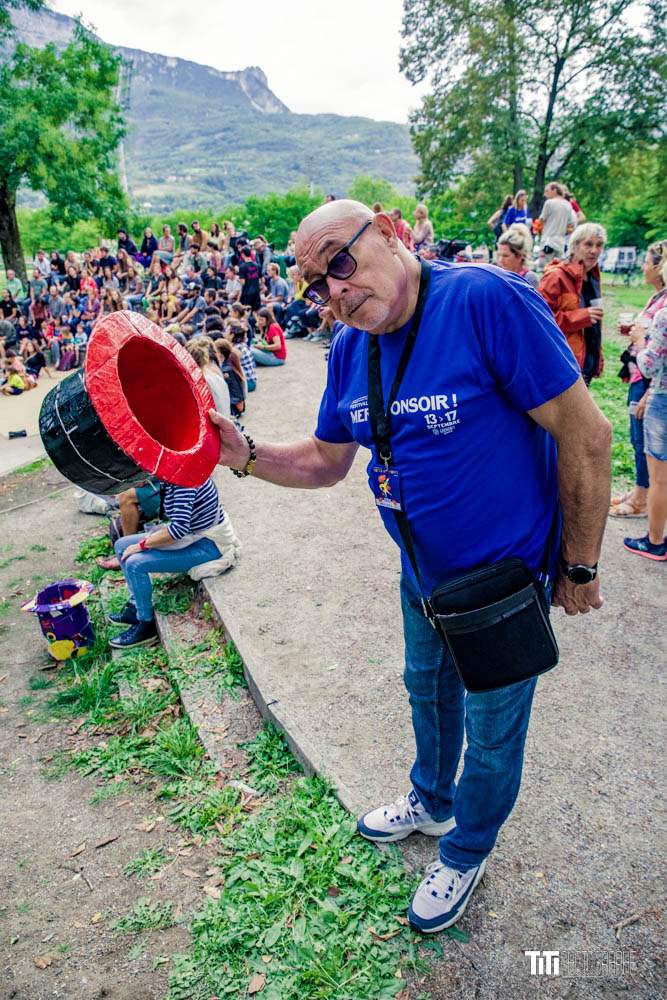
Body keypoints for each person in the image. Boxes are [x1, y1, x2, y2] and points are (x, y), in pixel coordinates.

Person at [209, 199, 611, 934]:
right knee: (425, 688)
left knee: (491, 729)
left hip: (501, 581)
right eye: (314, 281)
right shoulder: (347, 348)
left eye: (339, 260)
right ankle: (431, 797)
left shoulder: (483, 299)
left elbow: (586, 435)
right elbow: (328, 461)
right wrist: (244, 455)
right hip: (420, 574)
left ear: (390, 234)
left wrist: (578, 567)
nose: (333, 288)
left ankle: (465, 848)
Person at [109, 477, 240, 649]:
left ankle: (145, 624)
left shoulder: (184, 482)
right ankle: (135, 607)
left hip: (208, 545)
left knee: (135, 563)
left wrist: (142, 545)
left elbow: (178, 530)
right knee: (121, 545)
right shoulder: (171, 476)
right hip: (193, 537)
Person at [610, 239, 667, 519]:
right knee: (636, 438)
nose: (643, 267)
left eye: (647, 262)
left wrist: (648, 392)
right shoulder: (656, 297)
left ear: (660, 267)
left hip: (649, 382)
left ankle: (642, 499)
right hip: (638, 375)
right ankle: (639, 490)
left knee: (645, 442)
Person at [623, 302, 667, 560]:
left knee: (660, 479)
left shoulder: (664, 316)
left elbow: (649, 365)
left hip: (663, 399)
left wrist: (640, 342)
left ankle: (654, 541)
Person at [538, 222, 606, 385]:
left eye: (599, 245)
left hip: (586, 359)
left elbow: (595, 323)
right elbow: (540, 320)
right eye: (588, 244)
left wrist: (598, 356)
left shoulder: (593, 277)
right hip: (563, 360)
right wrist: (582, 317)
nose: (594, 250)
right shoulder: (556, 276)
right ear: (574, 246)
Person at [537, 182, 577, 264]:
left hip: (548, 241)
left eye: (547, 191)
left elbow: (540, 222)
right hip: (560, 244)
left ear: (554, 190)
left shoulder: (549, 203)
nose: (545, 194)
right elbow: (571, 226)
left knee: (546, 269)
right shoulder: (568, 205)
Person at [238, 246, 262, 313]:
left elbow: (243, 282)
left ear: (242, 254)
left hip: (247, 293)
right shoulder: (257, 265)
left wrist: (238, 280)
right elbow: (262, 280)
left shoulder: (242, 267)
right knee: (256, 312)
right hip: (256, 293)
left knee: (245, 312)